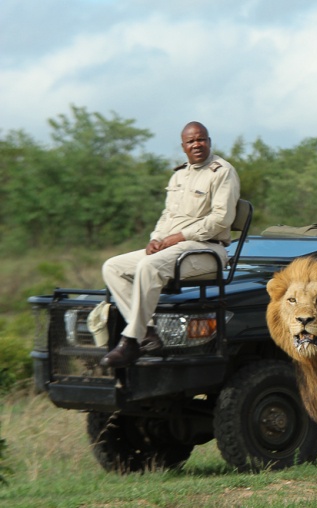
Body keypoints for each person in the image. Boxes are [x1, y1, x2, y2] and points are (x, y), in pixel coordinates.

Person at [100, 122, 241, 368]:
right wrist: (156, 238)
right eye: (191, 142)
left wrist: (178, 237)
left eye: (201, 139)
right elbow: (168, 215)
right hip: (173, 249)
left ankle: (130, 341)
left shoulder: (222, 171)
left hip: (207, 249)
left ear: (209, 141)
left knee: (148, 267)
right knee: (112, 266)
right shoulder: (179, 175)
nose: (197, 144)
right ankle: (148, 334)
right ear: (183, 147)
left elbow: (221, 220)